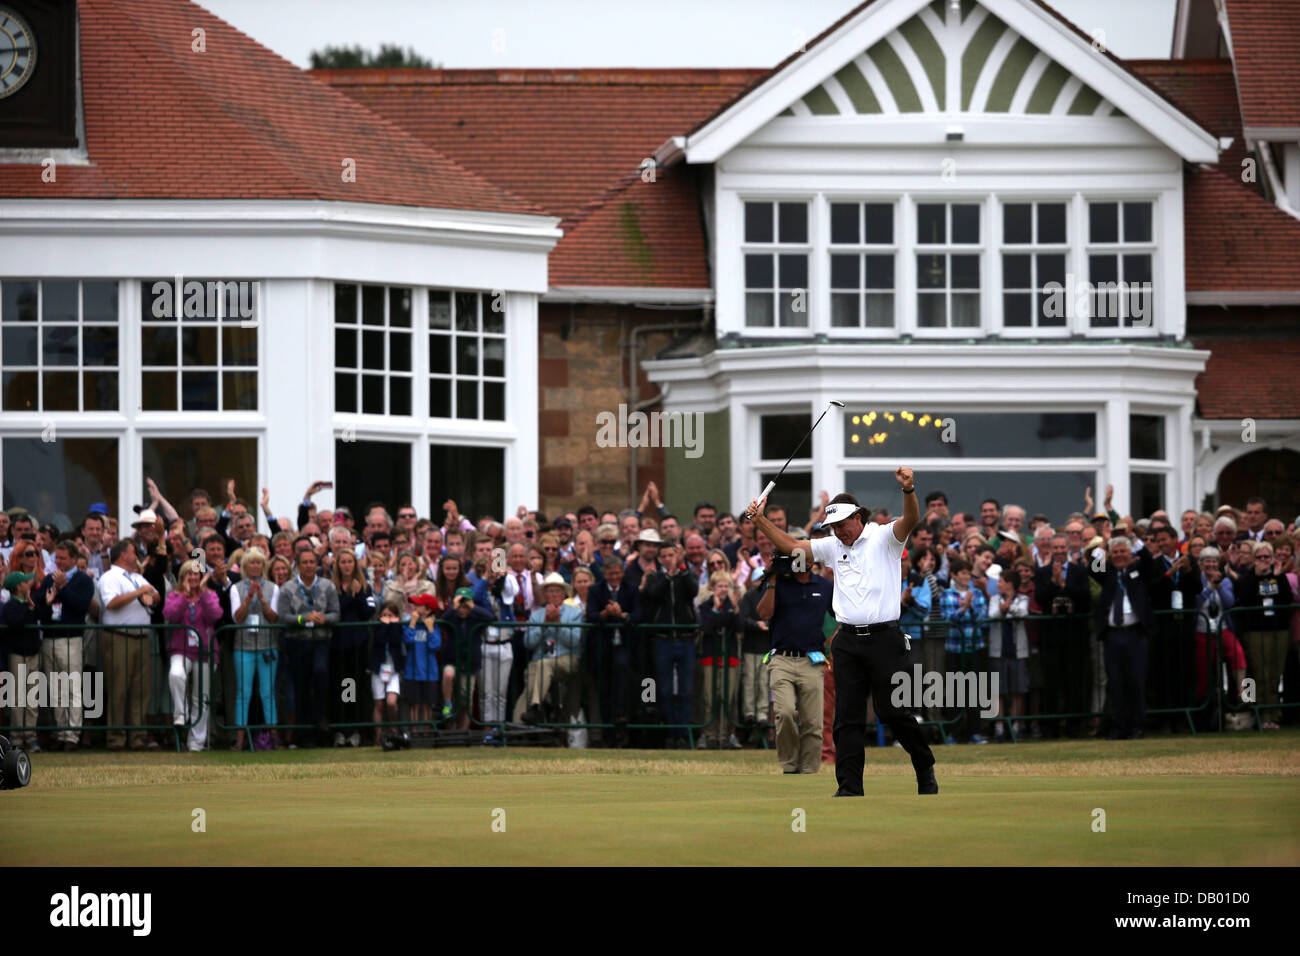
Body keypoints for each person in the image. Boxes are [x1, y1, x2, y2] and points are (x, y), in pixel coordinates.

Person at [746, 466, 937, 796]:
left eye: (842, 524)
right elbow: (792, 546)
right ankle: (849, 787)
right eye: (832, 526)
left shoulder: (884, 536)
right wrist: (760, 521)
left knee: (893, 712)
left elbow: (911, 520)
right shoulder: (833, 544)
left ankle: (924, 767)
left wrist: (908, 489)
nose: (838, 531)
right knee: (846, 718)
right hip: (847, 641)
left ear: (858, 517)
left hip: (885, 639)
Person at [758, 553, 833, 774]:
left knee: (813, 721)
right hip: (781, 658)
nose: (802, 562)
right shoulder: (779, 583)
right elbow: (764, 613)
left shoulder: (825, 586)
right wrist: (772, 579)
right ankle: (789, 766)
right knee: (786, 712)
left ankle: (808, 771)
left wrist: (833, 639)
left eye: (806, 557)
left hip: (812, 659)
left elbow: (843, 614)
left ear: (812, 560)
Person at [97, 540, 161, 751]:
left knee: (140, 691)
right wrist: (138, 593)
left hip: (141, 638)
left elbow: (155, 596)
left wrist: (152, 595)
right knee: (119, 689)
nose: (137, 557)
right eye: (134, 553)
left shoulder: (137, 577)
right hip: (119, 638)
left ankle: (138, 737)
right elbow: (111, 603)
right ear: (123, 555)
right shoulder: (110, 577)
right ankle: (116, 738)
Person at [1091, 536, 1156, 740]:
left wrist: (1134, 537)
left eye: (1123, 551)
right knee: (1116, 682)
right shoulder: (1108, 574)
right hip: (1113, 636)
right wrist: (1102, 546)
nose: (1119, 555)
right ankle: (1120, 726)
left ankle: (1137, 726)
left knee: (1136, 681)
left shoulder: (1139, 572)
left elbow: (1149, 561)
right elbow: (1093, 568)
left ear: (1130, 553)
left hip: (1135, 635)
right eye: (1115, 552)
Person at [34, 540, 96, 750]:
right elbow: (39, 603)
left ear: (73, 559)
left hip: (71, 640)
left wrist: (63, 587)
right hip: (49, 639)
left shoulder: (82, 580)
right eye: (57, 558)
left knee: (72, 687)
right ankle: (60, 732)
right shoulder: (48, 579)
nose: (58, 561)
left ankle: (72, 734)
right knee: (56, 688)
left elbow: (80, 606)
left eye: (63, 558)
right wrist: (50, 594)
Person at [276, 550, 339, 748]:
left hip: (321, 640)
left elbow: (336, 614)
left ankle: (320, 719)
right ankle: (303, 733)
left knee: (321, 673)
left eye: (313, 562)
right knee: (300, 687)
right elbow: (283, 617)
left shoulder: (328, 585)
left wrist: (324, 619)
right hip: (297, 642)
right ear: (298, 565)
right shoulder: (287, 588)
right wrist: (303, 619)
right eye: (305, 562)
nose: (309, 565)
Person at [639, 541, 700, 748]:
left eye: (671, 555)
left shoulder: (687, 575)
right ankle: (671, 732)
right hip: (663, 640)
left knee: (685, 690)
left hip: (685, 639)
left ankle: (683, 733)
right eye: (664, 556)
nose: (667, 559)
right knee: (663, 690)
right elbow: (654, 594)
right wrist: (669, 574)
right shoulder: (655, 577)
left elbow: (693, 590)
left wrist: (680, 570)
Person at [162, 559, 223, 751]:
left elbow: (215, 615)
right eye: (190, 573)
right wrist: (185, 595)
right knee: (176, 674)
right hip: (181, 648)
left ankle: (196, 742)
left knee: (201, 698)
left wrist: (203, 594)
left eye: (197, 573)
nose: (193, 577)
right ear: (183, 576)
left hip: (205, 651)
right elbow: (170, 614)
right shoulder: (174, 594)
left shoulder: (210, 594)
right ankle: (180, 714)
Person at [1234, 540, 1294, 729]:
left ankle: (1273, 715)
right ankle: (1257, 712)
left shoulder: (1279, 577)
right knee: (1257, 672)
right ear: (1253, 559)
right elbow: (1243, 599)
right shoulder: (1247, 578)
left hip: (1278, 630)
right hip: (1255, 631)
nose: (1263, 561)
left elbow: (1287, 598)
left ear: (1272, 558)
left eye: (1266, 557)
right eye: (1259, 557)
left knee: (1275, 673)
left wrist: (1279, 576)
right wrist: (1255, 576)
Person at [231, 547, 282, 751]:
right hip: (243, 646)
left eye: (258, 562)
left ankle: (274, 737)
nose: (255, 566)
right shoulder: (236, 588)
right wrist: (248, 597)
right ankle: (240, 740)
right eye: (251, 562)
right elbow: (236, 617)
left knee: (267, 692)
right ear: (245, 566)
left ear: (263, 565)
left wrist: (261, 599)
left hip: (267, 646)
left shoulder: (272, 588)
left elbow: (274, 617)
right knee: (244, 693)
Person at [519, 573, 584, 725]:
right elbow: (528, 642)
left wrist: (558, 624)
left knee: (544, 665)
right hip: (540, 659)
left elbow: (574, 641)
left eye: (557, 591)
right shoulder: (536, 615)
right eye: (550, 591)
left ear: (563, 594)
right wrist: (545, 624)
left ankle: (535, 708)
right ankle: (517, 730)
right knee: (529, 687)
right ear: (545, 594)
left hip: (566, 658)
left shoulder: (575, 613)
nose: (554, 595)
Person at [330, 548, 373, 748]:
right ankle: (340, 729)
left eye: (350, 561)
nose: (347, 565)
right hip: (339, 648)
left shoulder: (365, 587)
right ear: (338, 565)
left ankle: (354, 729)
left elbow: (367, 612)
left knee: (354, 688)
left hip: (358, 647)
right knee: (341, 688)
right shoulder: (332, 587)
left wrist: (358, 595)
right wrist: (350, 594)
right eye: (343, 562)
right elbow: (335, 611)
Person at [696, 570, 742, 749]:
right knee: (710, 696)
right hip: (710, 656)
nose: (723, 590)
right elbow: (707, 627)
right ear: (712, 588)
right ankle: (710, 735)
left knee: (727, 697)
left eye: (726, 586)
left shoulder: (734, 605)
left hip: (729, 656)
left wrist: (735, 610)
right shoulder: (706, 606)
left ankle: (724, 735)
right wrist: (716, 610)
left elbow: (738, 626)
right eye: (720, 586)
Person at [987, 567, 1029, 741]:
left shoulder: (1023, 598)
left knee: (1017, 690)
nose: (998, 584)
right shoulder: (995, 599)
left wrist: (1009, 608)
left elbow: (1023, 612)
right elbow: (992, 614)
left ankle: (1016, 727)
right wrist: (1002, 610)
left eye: (1001, 581)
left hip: (1017, 652)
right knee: (998, 691)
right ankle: (999, 728)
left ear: (1009, 584)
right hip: (998, 652)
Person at [2, 570, 41, 751]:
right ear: (18, 587)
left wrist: (33, 607)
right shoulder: (11, 606)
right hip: (18, 654)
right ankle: (17, 736)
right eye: (25, 582)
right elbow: (15, 624)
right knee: (18, 697)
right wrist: (29, 609)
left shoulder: (30, 603)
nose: (29, 583)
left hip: (32, 653)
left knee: (32, 696)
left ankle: (31, 735)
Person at [403, 593, 442, 731]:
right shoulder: (410, 623)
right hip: (412, 672)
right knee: (414, 704)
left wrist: (430, 629)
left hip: (429, 673)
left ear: (428, 609)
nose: (414, 607)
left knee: (428, 704)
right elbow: (407, 641)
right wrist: (412, 624)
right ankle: (414, 733)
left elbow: (435, 645)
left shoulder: (435, 625)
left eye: (418, 605)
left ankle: (426, 732)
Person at [371, 601, 406, 746]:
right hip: (378, 670)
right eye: (384, 615)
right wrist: (385, 625)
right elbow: (379, 640)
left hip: (393, 670)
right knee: (379, 703)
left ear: (397, 617)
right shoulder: (377, 627)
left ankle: (394, 730)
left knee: (391, 702)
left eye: (390, 615)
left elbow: (396, 640)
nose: (387, 618)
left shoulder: (398, 628)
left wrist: (393, 625)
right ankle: (378, 736)